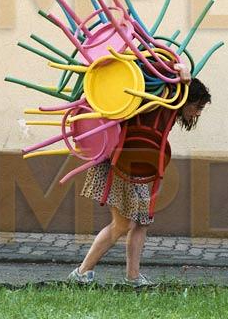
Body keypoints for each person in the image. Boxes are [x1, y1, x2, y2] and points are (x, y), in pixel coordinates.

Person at [68, 63, 211, 287]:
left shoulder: (169, 108)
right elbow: (155, 67)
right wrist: (182, 69)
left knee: (141, 223)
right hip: (120, 161)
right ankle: (81, 272)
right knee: (121, 224)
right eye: (197, 106)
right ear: (186, 99)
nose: (198, 113)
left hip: (139, 167)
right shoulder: (160, 96)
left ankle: (133, 277)